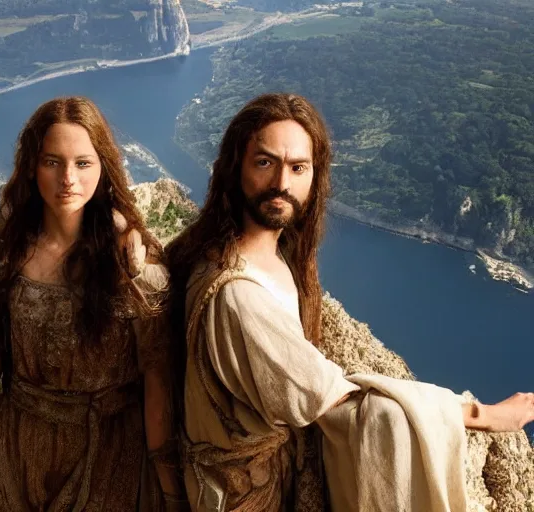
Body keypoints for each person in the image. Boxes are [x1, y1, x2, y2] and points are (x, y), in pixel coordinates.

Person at [165, 92, 534, 511]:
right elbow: (337, 400)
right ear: (236, 169)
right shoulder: (236, 295)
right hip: (245, 495)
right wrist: (483, 415)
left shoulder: (264, 256)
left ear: (314, 176)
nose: (282, 184)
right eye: (265, 162)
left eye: (298, 168)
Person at [0, 96, 186, 511]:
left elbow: (156, 383)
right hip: (17, 456)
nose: (68, 179)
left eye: (83, 163)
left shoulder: (134, 265)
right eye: (52, 162)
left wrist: (169, 489)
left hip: (109, 458)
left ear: (103, 168)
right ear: (32, 166)